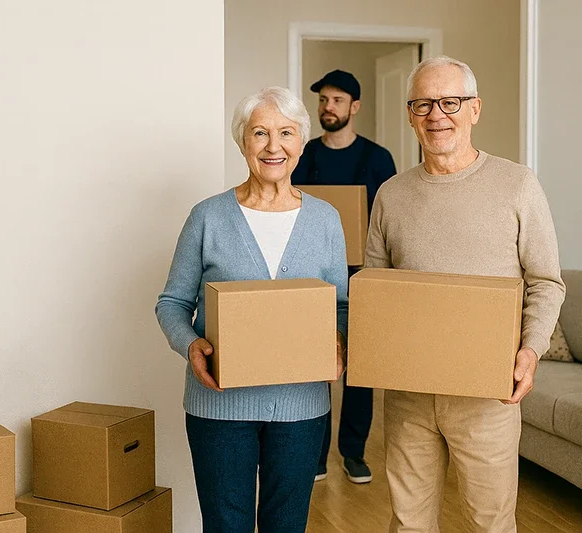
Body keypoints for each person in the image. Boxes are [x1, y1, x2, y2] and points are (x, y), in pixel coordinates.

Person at [365, 56, 566, 532]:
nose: (436, 114)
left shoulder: (517, 185)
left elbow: (546, 281)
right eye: (422, 104)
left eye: (450, 102)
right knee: (409, 523)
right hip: (408, 393)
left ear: (475, 108)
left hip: (487, 396)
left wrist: (531, 350)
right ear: (410, 114)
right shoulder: (391, 194)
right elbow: (375, 290)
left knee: (489, 523)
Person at [155, 86, 349, 533]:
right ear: (242, 141)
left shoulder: (326, 219)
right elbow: (173, 303)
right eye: (260, 133)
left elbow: (340, 305)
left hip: (301, 406)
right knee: (226, 525)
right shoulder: (207, 217)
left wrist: (339, 342)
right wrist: (191, 345)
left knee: (288, 525)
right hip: (220, 406)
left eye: (286, 132)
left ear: (302, 141)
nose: (273, 146)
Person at [292, 69, 397, 484]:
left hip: (363, 274)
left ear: (355, 107)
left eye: (336, 100)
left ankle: (354, 452)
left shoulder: (378, 158)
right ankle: (315, 455)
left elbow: (389, 220)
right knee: (314, 364)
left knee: (359, 365)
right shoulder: (304, 155)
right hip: (312, 275)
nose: (327, 107)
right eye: (323, 100)